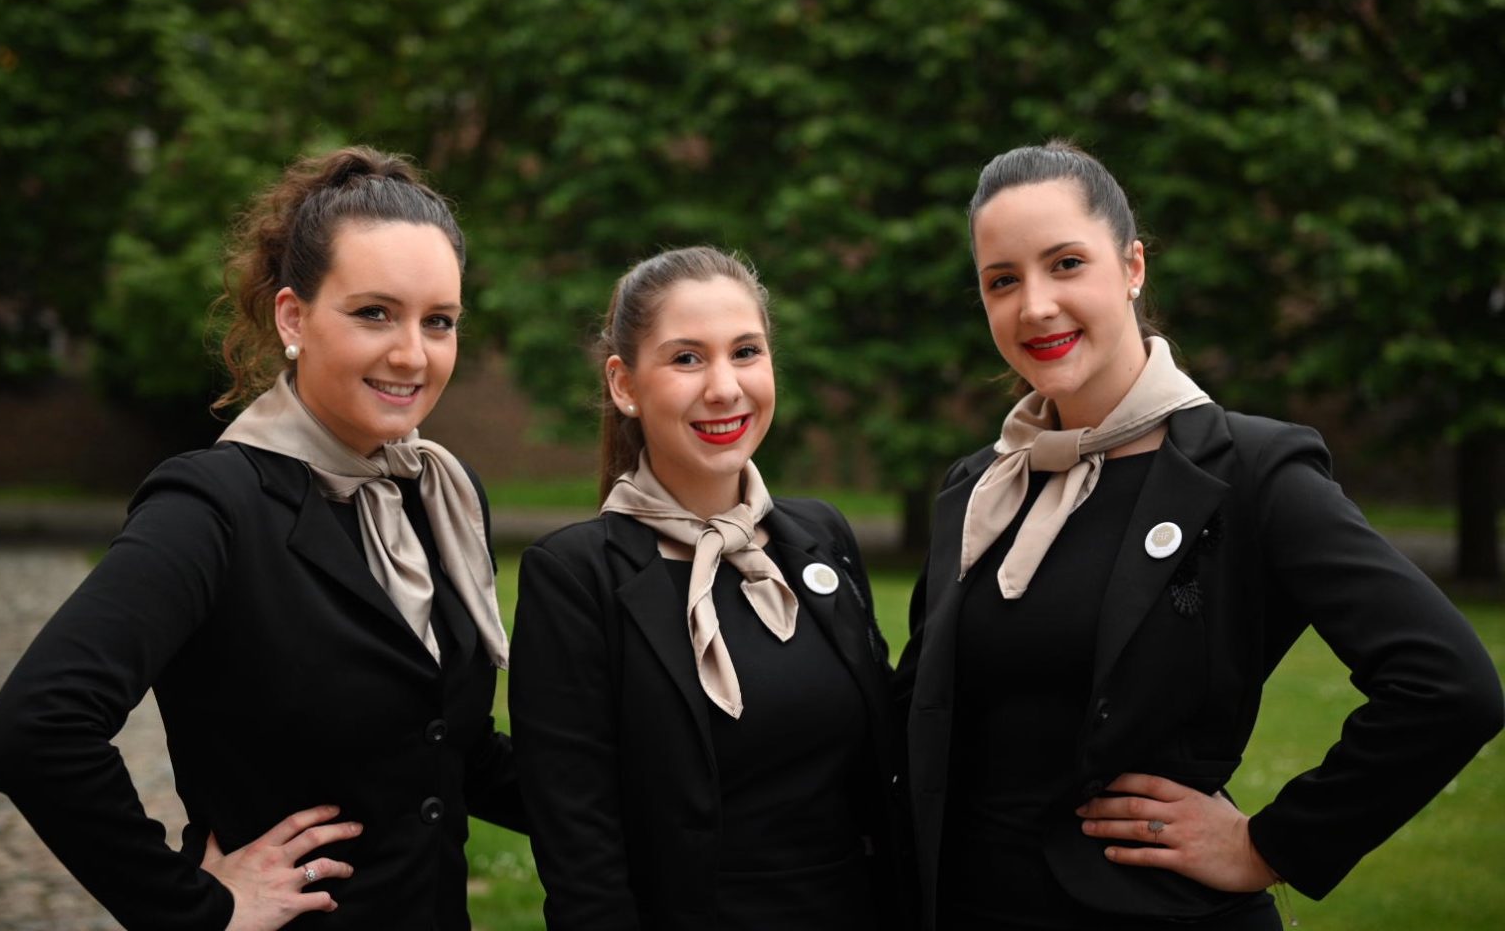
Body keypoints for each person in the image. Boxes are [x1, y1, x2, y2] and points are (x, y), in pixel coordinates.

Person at [896, 140, 1503, 930]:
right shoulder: (978, 487)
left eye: (1067, 264)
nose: (1035, 304)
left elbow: (1449, 686)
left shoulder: (1250, 471)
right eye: (1002, 281)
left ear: (1133, 267)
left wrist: (1272, 845)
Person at [0, 146, 525, 930]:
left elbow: (447, 749)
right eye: (375, 313)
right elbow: (36, 732)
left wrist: (670, 806)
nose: (413, 352)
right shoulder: (212, 505)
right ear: (293, 317)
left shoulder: (436, 494)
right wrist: (197, 909)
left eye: (438, 321)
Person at [509, 246, 909, 930]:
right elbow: (582, 859)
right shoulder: (576, 578)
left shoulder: (821, 537)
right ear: (625, 385)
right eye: (687, 359)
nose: (724, 387)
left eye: (746, 352)